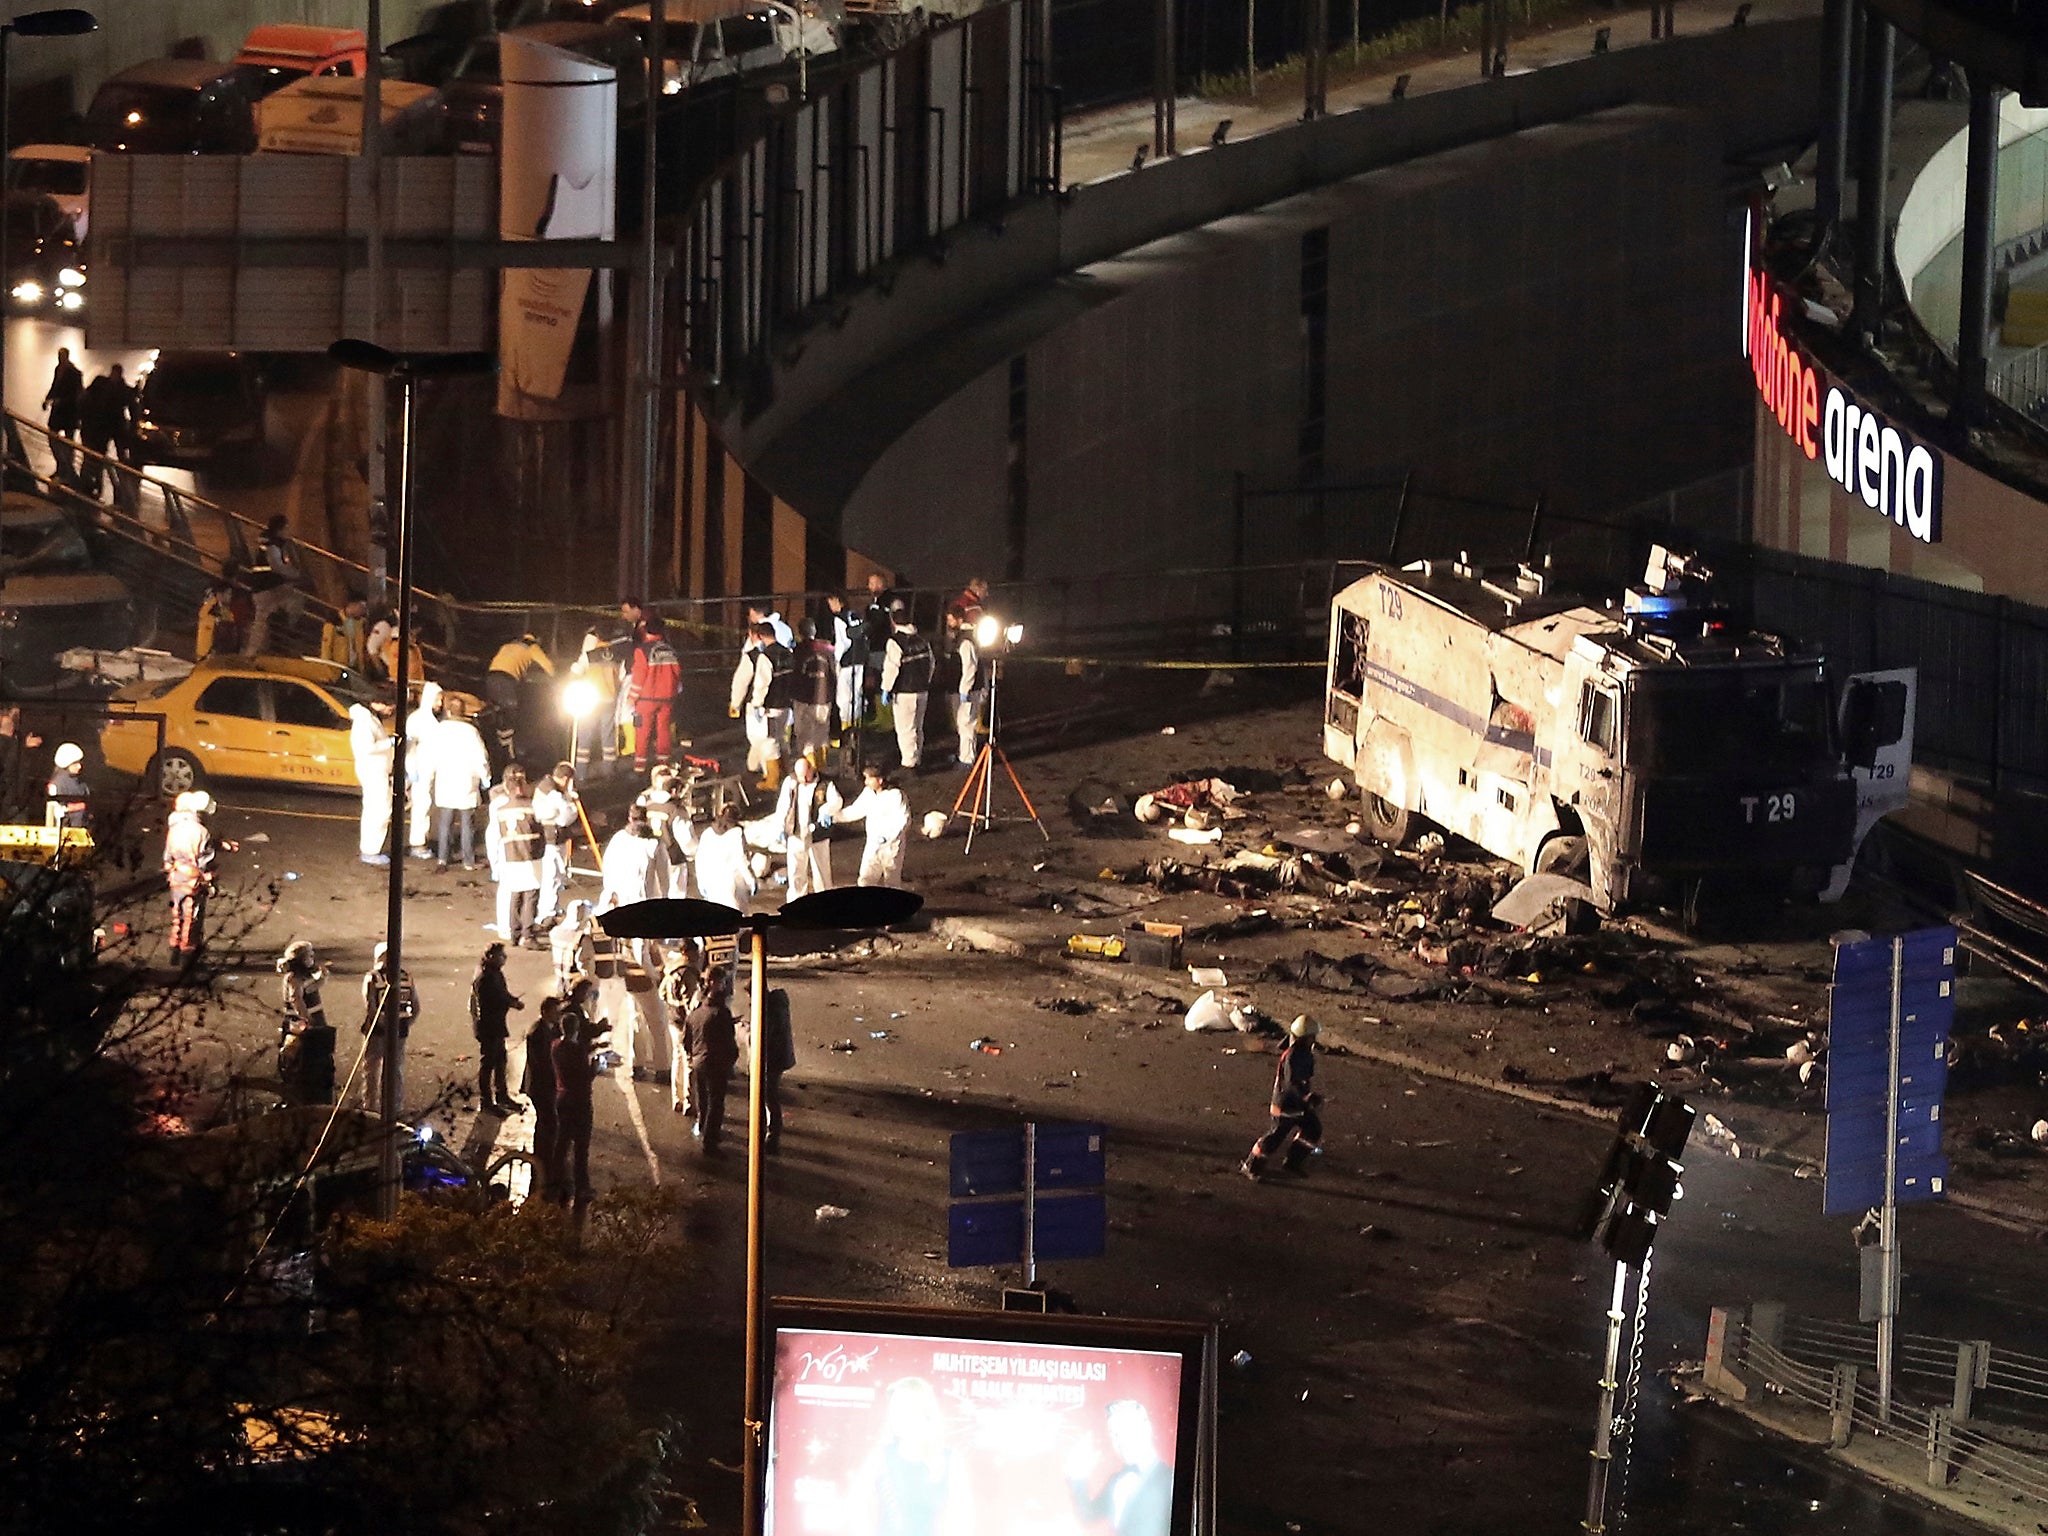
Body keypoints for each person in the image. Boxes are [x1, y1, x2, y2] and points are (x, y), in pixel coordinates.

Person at [1066, 1399, 1172, 1536]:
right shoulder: (1117, 1481)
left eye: (1126, 1430)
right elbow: (1088, 1516)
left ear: (1147, 1427)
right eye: (1114, 1434)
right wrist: (1077, 1478)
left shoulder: (1171, 1481)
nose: (1120, 1441)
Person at [1242, 1014, 1323, 1180]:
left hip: (1298, 1104)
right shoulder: (1293, 1056)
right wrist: (1307, 1096)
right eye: (1311, 1037)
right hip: (1286, 1106)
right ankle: (1251, 1165)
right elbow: (1292, 1083)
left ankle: (1293, 1162)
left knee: (1312, 1129)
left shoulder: (1303, 1053)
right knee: (1273, 1138)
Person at [552, 980, 603, 1204]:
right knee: (581, 1147)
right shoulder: (576, 1052)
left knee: (562, 1145)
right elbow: (585, 1076)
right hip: (580, 1101)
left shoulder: (556, 1047)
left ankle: (558, 1184)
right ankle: (582, 1187)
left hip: (562, 1099)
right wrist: (596, 1067)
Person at [428, 697, 492, 872]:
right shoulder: (470, 731)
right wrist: (485, 777)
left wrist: (429, 774)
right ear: (464, 712)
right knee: (467, 824)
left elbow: (431, 754)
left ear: (448, 711)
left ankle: (442, 858)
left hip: (445, 780)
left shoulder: (439, 730)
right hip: (466, 782)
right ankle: (468, 861)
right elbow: (480, 757)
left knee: (445, 822)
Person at [730, 620, 792, 789]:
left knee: (766, 741)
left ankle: (772, 778)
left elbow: (746, 683)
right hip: (785, 705)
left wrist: (738, 703)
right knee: (779, 739)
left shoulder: (757, 656)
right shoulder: (787, 652)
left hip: (766, 707)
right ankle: (783, 771)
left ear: (755, 636)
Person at [359, 942, 419, 1119]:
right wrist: (406, 1023)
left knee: (372, 1069)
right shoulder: (407, 977)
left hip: (377, 1031)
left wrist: (384, 1024)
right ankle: (395, 1107)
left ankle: (370, 1107)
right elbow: (416, 1007)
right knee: (396, 1069)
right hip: (399, 1030)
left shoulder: (372, 977)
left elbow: (370, 1006)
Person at [162, 790, 221, 965]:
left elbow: (168, 856)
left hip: (176, 878)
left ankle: (174, 949)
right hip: (194, 881)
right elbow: (205, 861)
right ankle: (187, 954)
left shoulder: (175, 828)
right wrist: (210, 882)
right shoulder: (202, 832)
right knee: (191, 918)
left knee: (177, 915)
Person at [275, 941, 337, 1105]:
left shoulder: (304, 976)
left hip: (315, 1022)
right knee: (298, 1062)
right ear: (301, 959)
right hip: (301, 1026)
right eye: (309, 956)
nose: (312, 958)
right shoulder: (294, 978)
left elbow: (313, 987)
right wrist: (306, 1018)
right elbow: (297, 999)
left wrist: (323, 976)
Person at [682, 971, 739, 1152]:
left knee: (704, 1100)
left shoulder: (695, 1014)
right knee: (716, 1103)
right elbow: (729, 1042)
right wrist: (731, 1061)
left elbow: (686, 1041)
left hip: (699, 1062)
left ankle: (704, 1129)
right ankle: (710, 1141)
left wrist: (693, 1056)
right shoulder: (721, 1013)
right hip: (715, 1063)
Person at [490, 764, 545, 946]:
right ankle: (527, 934)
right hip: (530, 857)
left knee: (515, 894)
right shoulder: (532, 807)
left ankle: (514, 932)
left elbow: (496, 834)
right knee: (530, 896)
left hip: (511, 856)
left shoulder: (501, 810)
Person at [485, 630, 555, 765]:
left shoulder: (509, 645)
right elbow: (549, 667)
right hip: (506, 681)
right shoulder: (531, 647)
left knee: (499, 714)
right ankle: (509, 755)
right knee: (510, 716)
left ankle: (499, 749)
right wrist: (555, 679)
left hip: (491, 678)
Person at [470, 942, 524, 1112]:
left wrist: (512, 999)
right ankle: (486, 1100)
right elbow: (492, 1000)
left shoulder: (496, 974)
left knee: (500, 1060)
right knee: (489, 1062)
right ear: (491, 957)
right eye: (501, 955)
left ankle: (502, 1095)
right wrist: (511, 1003)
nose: (504, 959)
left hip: (497, 1024)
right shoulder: (484, 978)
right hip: (488, 1026)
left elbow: (503, 994)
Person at [775, 754, 837, 899]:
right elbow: (783, 805)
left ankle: (824, 902)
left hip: (818, 835)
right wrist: (780, 826)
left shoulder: (825, 783)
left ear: (811, 769)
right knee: (796, 870)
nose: (802, 780)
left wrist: (826, 811)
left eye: (805, 776)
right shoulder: (791, 782)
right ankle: (796, 902)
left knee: (822, 872)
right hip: (796, 833)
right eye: (800, 776)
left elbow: (837, 800)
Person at [837, 764, 910, 888]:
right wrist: (834, 817)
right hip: (872, 845)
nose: (866, 782)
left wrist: (887, 837)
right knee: (865, 880)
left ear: (880, 780)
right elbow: (855, 810)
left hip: (891, 847)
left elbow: (904, 820)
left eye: (869, 778)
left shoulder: (896, 795)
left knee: (891, 882)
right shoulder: (868, 793)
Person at [880, 605, 933, 771]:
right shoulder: (923, 641)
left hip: (904, 692)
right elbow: (931, 664)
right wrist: (926, 681)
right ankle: (917, 758)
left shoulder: (895, 642)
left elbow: (891, 668)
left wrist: (886, 689)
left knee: (905, 729)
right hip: (922, 690)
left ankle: (909, 764)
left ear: (893, 622)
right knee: (918, 727)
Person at [245, 515, 308, 656]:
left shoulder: (269, 542)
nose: (289, 530)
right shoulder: (272, 545)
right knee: (295, 600)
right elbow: (278, 567)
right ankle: (257, 650)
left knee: (262, 619)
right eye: (286, 527)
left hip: (264, 587)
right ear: (280, 529)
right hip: (267, 588)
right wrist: (296, 574)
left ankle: (257, 649)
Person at [522, 996, 564, 1201]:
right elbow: (541, 1063)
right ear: (546, 1011)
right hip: (541, 1087)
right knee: (547, 1121)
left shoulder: (551, 1029)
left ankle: (544, 1159)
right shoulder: (537, 1033)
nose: (558, 1015)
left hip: (548, 1085)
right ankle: (541, 1160)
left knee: (548, 1122)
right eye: (555, 1011)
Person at [628, 619, 683, 772]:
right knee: (664, 731)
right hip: (667, 698)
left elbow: (639, 677)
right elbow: (677, 673)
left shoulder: (642, 650)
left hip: (646, 699)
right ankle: (663, 767)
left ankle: (639, 768)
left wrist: (632, 697)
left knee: (642, 731)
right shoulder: (670, 650)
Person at [532, 761, 581, 926]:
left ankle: (550, 909)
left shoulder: (546, 786)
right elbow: (566, 817)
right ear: (565, 779)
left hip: (550, 837)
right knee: (553, 876)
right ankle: (547, 914)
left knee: (553, 875)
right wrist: (571, 805)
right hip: (552, 837)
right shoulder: (553, 794)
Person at [568, 628, 621, 777]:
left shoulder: (589, 655)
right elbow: (621, 677)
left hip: (591, 700)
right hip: (610, 699)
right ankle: (609, 772)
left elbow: (575, 672)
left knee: (585, 734)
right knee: (608, 736)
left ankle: (581, 774)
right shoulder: (616, 655)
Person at [348, 701, 394, 866]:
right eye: (389, 705)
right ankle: (370, 850)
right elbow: (366, 747)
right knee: (379, 810)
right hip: (372, 770)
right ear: (377, 703)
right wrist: (389, 742)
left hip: (376, 770)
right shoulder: (364, 721)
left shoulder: (370, 719)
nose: (391, 709)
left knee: (376, 809)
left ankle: (371, 849)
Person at [77, 365, 132, 499]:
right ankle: (115, 487)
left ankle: (91, 485)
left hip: (98, 430)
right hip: (106, 429)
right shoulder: (117, 390)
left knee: (92, 458)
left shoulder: (94, 394)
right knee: (100, 458)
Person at [403, 680, 444, 859]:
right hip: (421, 769)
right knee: (421, 806)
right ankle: (418, 842)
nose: (440, 704)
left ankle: (429, 838)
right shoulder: (417, 720)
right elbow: (410, 747)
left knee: (432, 806)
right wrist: (411, 770)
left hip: (435, 769)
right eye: (437, 700)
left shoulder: (436, 720)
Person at [693, 802, 756, 915]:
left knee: (717, 919)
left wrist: (701, 882)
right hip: (732, 882)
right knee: (737, 920)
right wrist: (750, 881)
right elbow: (741, 861)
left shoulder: (707, 833)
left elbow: (700, 859)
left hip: (712, 882)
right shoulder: (736, 833)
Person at [791, 616, 836, 771]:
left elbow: (795, 675)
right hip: (825, 698)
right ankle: (822, 766)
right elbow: (834, 673)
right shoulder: (828, 650)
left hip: (804, 698)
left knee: (805, 736)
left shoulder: (799, 651)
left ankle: (808, 768)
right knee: (822, 733)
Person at [826, 592, 867, 746]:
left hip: (847, 662)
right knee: (857, 696)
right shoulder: (856, 615)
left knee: (843, 699)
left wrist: (835, 660)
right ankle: (856, 733)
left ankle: (845, 734)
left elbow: (843, 643)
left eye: (831, 602)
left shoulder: (839, 619)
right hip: (860, 659)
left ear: (838, 601)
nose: (830, 606)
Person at [760, 985, 798, 1149]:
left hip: (773, 1059)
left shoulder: (769, 1010)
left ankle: (773, 1135)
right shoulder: (777, 1004)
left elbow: (764, 1036)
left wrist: (745, 1032)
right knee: (770, 1095)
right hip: (779, 1058)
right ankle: (772, 1131)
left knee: (770, 1096)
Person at [42, 346, 83, 480]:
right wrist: (47, 398)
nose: (59, 358)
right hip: (60, 410)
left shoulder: (74, 373)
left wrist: (60, 401)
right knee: (54, 436)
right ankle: (63, 465)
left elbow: (76, 394)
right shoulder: (58, 369)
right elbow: (54, 386)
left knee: (68, 440)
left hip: (69, 410)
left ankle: (66, 468)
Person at [0, 705, 39, 821]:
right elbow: (9, 768)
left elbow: (21, 768)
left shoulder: (17, 740)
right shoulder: (8, 744)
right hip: (9, 803)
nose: (11, 727)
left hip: (18, 802)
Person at [551, 898, 596, 993]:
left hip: (560, 983)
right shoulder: (582, 938)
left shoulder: (554, 932)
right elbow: (588, 966)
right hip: (578, 987)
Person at [45, 742, 88, 830]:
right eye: (75, 764)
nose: (79, 766)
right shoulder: (57, 784)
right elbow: (56, 811)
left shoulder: (79, 781)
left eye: (79, 763)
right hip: (68, 830)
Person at [320, 596, 369, 672]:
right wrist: (326, 667)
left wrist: (362, 668)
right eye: (362, 607)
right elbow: (326, 647)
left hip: (353, 666)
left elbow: (359, 647)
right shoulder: (334, 621)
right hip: (338, 665)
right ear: (353, 605)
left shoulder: (360, 623)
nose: (364, 611)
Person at [196, 579, 240, 661]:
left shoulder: (227, 612)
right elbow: (202, 614)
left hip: (219, 654)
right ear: (220, 594)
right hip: (206, 654)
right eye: (228, 594)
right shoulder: (210, 610)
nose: (230, 597)